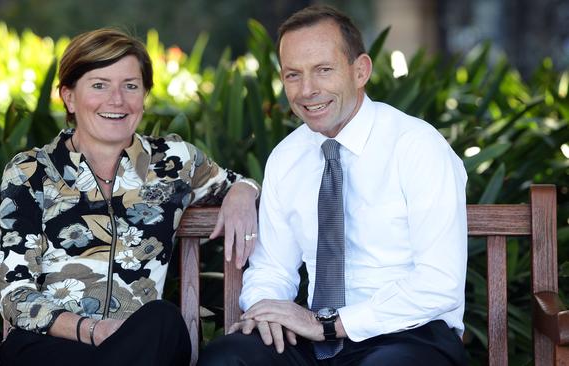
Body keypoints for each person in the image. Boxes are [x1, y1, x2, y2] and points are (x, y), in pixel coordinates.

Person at [199, 4, 467, 366]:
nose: (307, 90)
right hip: (313, 339)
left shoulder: (416, 146)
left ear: (360, 71)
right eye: (293, 75)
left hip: (409, 334)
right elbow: (273, 269)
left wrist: (330, 324)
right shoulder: (287, 157)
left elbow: (439, 282)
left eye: (323, 70)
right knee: (229, 358)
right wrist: (266, 310)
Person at [0, 28, 260, 366]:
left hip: (140, 344)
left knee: (164, 320)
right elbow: (15, 294)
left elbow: (239, 183)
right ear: (69, 97)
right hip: (52, 346)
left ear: (144, 95)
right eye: (99, 84)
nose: (117, 100)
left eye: (130, 86)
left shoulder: (174, 163)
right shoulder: (31, 171)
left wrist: (243, 191)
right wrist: (94, 330)